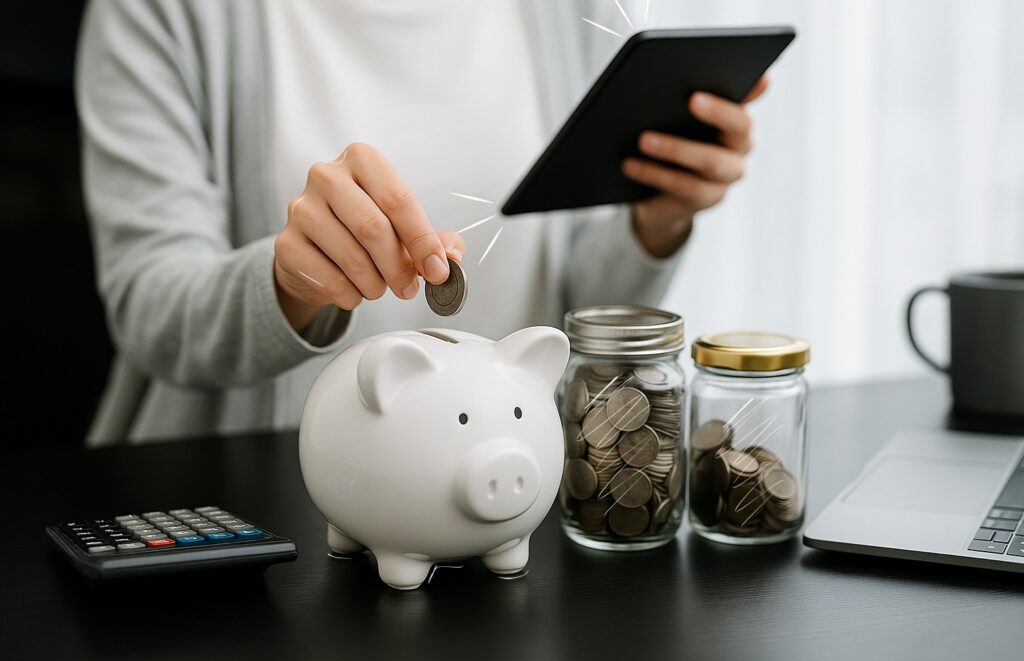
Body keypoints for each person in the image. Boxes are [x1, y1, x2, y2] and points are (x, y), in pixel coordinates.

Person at [77, 0, 765, 445]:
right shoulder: (159, 12)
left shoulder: (567, 11)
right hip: (261, 515)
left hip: (513, 489)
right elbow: (150, 307)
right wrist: (292, 283)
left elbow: (574, 300)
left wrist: (657, 218)